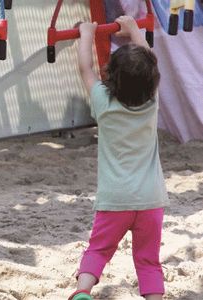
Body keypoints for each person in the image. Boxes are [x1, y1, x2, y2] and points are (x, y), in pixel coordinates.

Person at [69, 16, 169, 300]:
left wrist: (85, 33)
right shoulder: (152, 101)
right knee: (148, 260)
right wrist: (134, 30)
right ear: (152, 82)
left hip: (116, 199)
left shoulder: (103, 101)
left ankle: (82, 290)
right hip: (151, 200)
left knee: (99, 249)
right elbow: (153, 62)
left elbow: (85, 67)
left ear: (110, 76)